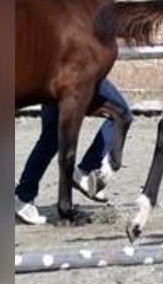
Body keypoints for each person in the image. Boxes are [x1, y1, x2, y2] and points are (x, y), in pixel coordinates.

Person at [14, 78, 132, 224]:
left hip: (53, 74)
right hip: (79, 70)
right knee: (122, 114)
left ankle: (23, 195)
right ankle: (85, 170)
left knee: (51, 137)